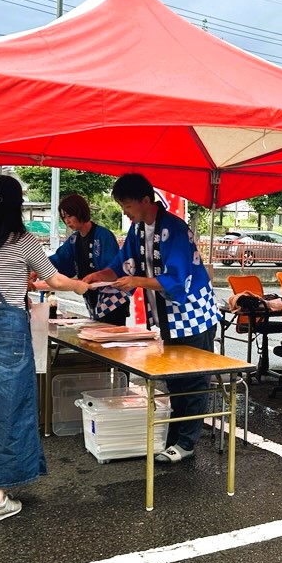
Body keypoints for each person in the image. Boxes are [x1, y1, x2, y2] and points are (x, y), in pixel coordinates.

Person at [0, 175, 91, 523]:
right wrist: (81, 287)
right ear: (14, 206)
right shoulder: (24, 242)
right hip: (9, 329)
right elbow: (54, 280)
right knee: (7, 408)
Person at [82, 173, 220, 464]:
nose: (125, 211)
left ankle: (186, 442)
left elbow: (177, 279)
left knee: (193, 380)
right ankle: (174, 437)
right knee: (174, 380)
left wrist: (135, 280)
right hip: (168, 317)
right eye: (121, 205)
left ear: (146, 200)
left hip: (192, 314)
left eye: (128, 205)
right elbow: (120, 266)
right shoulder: (137, 229)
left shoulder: (175, 229)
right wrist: (101, 276)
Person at [47, 193, 130, 325]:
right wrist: (38, 268)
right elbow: (60, 259)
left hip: (112, 300)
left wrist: (97, 277)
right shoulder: (74, 240)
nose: (67, 221)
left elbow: (113, 268)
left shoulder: (103, 235)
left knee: (111, 341)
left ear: (80, 212)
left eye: (70, 216)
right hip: (92, 297)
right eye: (64, 217)